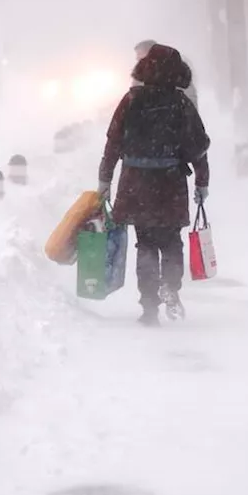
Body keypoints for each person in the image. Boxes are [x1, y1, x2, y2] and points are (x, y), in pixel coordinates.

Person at [97, 43, 211, 327]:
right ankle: (171, 287)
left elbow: (113, 142)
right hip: (169, 184)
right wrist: (202, 181)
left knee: (145, 243)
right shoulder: (180, 103)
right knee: (171, 241)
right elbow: (197, 147)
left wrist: (105, 179)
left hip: (136, 183)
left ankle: (149, 307)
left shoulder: (131, 100)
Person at [134, 39, 199, 108]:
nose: (137, 58)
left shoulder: (175, 75)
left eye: (140, 54)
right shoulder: (140, 79)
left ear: (150, 53)